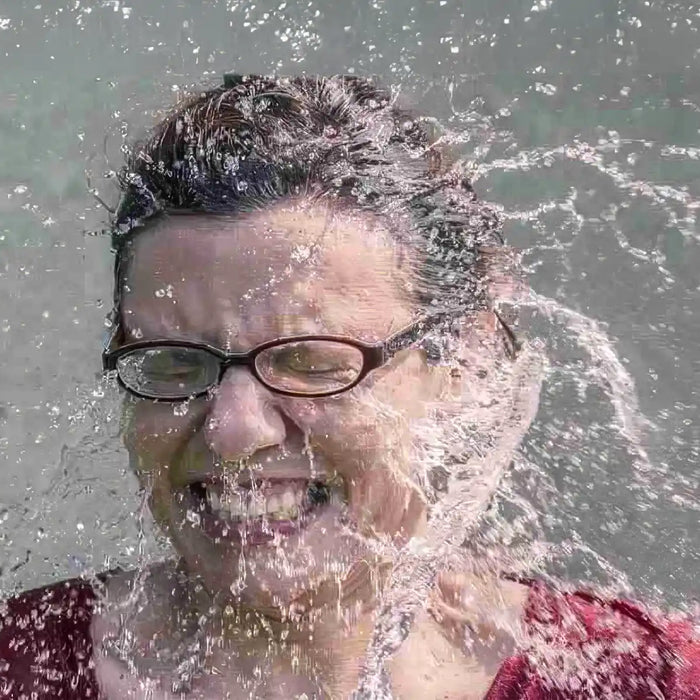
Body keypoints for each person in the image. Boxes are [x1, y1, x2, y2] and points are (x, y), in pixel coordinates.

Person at [1, 74, 698, 699]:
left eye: (310, 362)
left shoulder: (648, 680)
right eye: (175, 364)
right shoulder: (18, 670)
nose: (234, 430)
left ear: (468, 365)